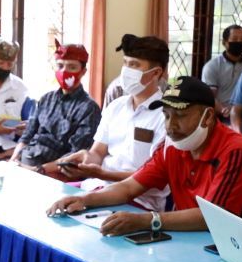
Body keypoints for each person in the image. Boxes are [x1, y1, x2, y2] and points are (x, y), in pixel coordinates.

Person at [46, 77, 242, 245]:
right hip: (194, 241)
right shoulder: (172, 147)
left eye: (181, 116)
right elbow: (128, 188)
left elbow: (212, 218)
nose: (170, 126)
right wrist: (85, 200)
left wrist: (148, 221)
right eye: (166, 115)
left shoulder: (236, 151)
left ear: (207, 116)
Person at [55, 36, 170, 210]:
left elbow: (153, 177)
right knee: (49, 203)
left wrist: (103, 173)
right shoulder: (117, 106)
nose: (127, 70)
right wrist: (86, 160)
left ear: (156, 73)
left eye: (135, 65)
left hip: (139, 201)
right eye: (126, 63)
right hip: (96, 186)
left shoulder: (166, 116)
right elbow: (98, 152)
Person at [11, 42, 100, 171]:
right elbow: (27, 134)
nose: (64, 71)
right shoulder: (46, 99)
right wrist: (14, 160)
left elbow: (75, 155)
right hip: (25, 161)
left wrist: (39, 170)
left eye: (72, 67)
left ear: (83, 72)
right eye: (60, 66)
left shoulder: (89, 108)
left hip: (53, 171)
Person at [200, 24, 242, 122]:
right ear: (224, 42)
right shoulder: (212, 66)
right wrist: (223, 110)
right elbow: (209, 97)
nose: (239, 42)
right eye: (235, 39)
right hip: (221, 115)